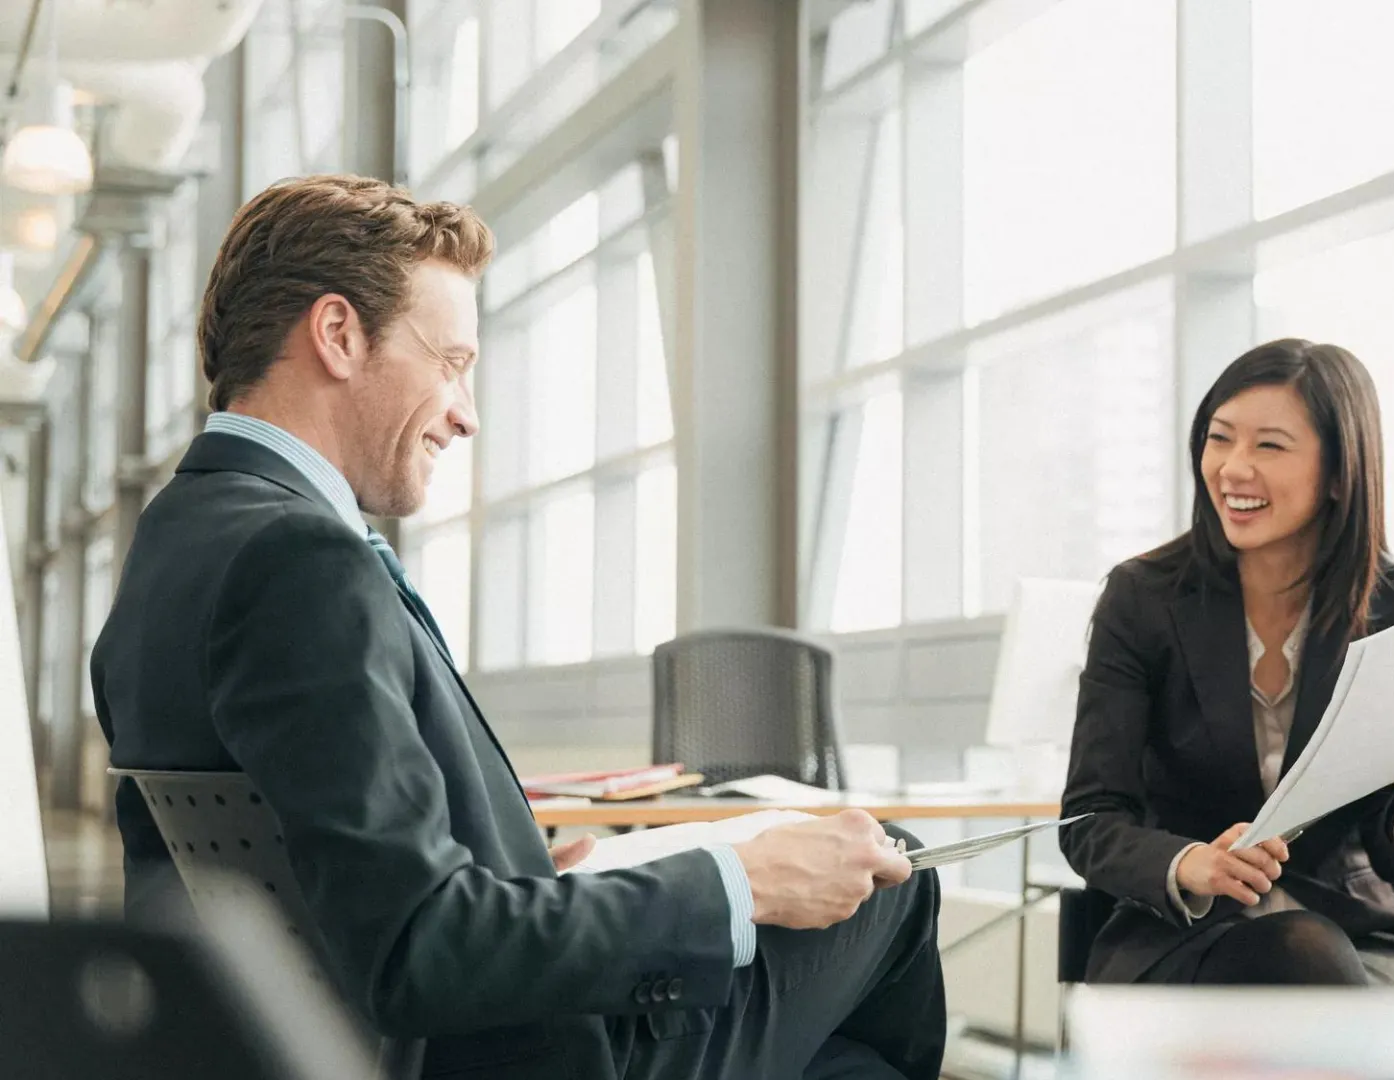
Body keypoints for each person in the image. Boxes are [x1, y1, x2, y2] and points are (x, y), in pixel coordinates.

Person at [91, 175, 945, 1080]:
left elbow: (288, 865)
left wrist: (509, 864)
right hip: (513, 1054)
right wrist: (746, 882)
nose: (466, 412)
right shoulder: (302, 559)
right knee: (900, 875)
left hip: (297, 1043)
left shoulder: (177, 541)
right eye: (451, 361)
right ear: (338, 334)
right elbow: (418, 947)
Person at [1059, 339, 1394, 987]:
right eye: (1220, 438)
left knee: (1309, 957)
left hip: (1357, 932)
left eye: (1269, 446)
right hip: (1187, 936)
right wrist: (1189, 862)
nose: (1232, 468)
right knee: (1299, 962)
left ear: (1341, 473)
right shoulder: (1143, 598)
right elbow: (1091, 818)